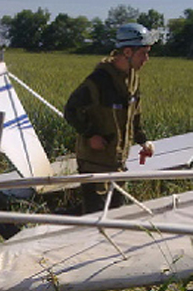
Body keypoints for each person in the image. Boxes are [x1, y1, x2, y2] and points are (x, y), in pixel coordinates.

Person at [64, 23, 157, 214]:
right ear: (128, 52)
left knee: (115, 213)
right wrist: (91, 134)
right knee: (94, 216)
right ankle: (46, 225)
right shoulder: (98, 81)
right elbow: (71, 110)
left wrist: (143, 140)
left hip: (117, 162)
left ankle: (53, 222)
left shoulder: (133, 78)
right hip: (93, 162)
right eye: (143, 53)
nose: (146, 59)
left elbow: (135, 115)